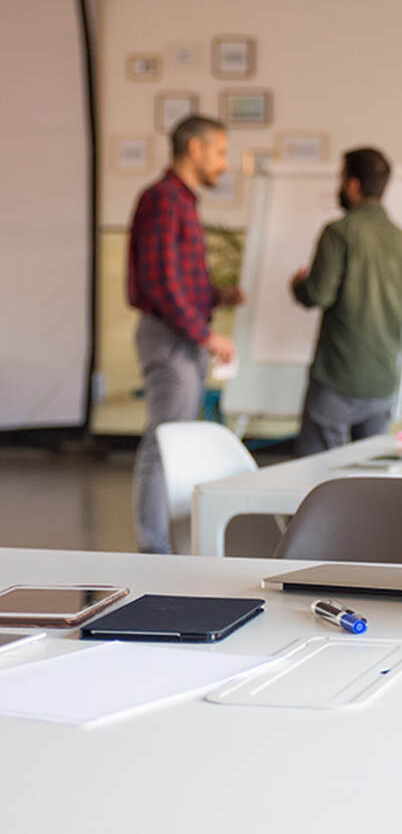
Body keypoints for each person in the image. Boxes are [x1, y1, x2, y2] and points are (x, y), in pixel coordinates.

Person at [127, 115, 243, 554]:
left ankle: (165, 545)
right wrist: (206, 335)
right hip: (172, 337)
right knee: (164, 444)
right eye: (220, 152)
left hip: (184, 336)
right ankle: (154, 550)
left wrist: (219, 295)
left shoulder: (181, 201)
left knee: (173, 442)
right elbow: (161, 284)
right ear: (195, 149)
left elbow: (178, 279)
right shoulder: (162, 200)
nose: (224, 164)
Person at [290, 147, 402, 454]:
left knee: (318, 477)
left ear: (352, 184)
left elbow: (318, 294)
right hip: (382, 381)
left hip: (338, 377)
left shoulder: (339, 233)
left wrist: (299, 284)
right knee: (369, 479)